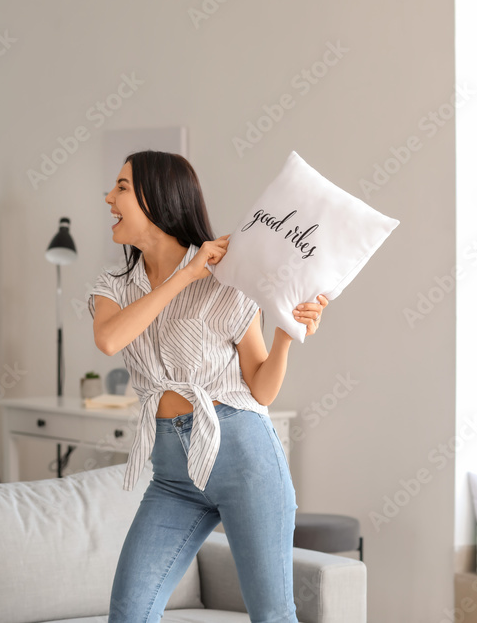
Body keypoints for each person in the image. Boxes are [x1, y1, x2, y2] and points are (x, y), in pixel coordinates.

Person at [89, 151, 328, 623]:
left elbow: (261, 390)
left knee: (273, 615)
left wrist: (287, 334)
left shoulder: (228, 280)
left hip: (243, 457)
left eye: (120, 188)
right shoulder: (113, 287)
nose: (108, 197)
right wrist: (184, 277)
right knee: (128, 614)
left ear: (156, 199)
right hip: (174, 475)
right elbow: (110, 339)